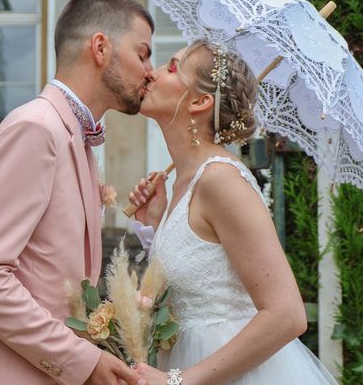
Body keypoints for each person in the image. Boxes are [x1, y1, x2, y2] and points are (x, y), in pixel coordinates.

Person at [0, 0, 154, 385]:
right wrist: (79, 360)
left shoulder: (78, 141)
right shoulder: (36, 129)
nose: (150, 70)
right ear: (100, 48)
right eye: (143, 53)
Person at [127, 40, 338, 385]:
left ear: (200, 101)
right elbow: (199, 281)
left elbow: (287, 315)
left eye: (171, 67)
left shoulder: (221, 180)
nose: (151, 73)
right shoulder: (186, 181)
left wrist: (179, 380)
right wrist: (155, 224)